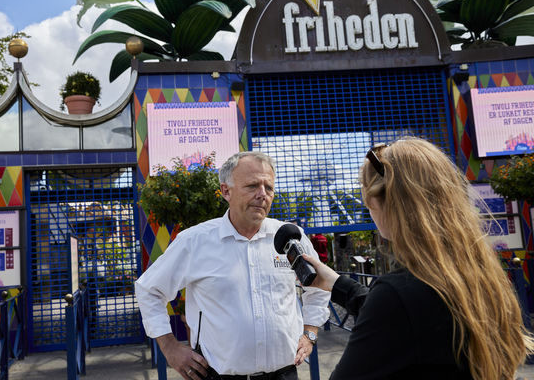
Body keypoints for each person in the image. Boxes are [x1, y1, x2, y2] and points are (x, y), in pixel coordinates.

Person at [302, 137, 533, 380]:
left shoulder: (398, 293)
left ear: (377, 201)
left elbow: (399, 311)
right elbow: (411, 316)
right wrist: (336, 283)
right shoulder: (479, 275)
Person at [135, 151, 330, 379]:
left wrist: (311, 332)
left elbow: (319, 286)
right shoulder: (195, 241)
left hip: (284, 373)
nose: (262, 195)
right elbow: (149, 289)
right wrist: (169, 347)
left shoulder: (291, 238)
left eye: (269, 187)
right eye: (252, 186)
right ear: (226, 191)